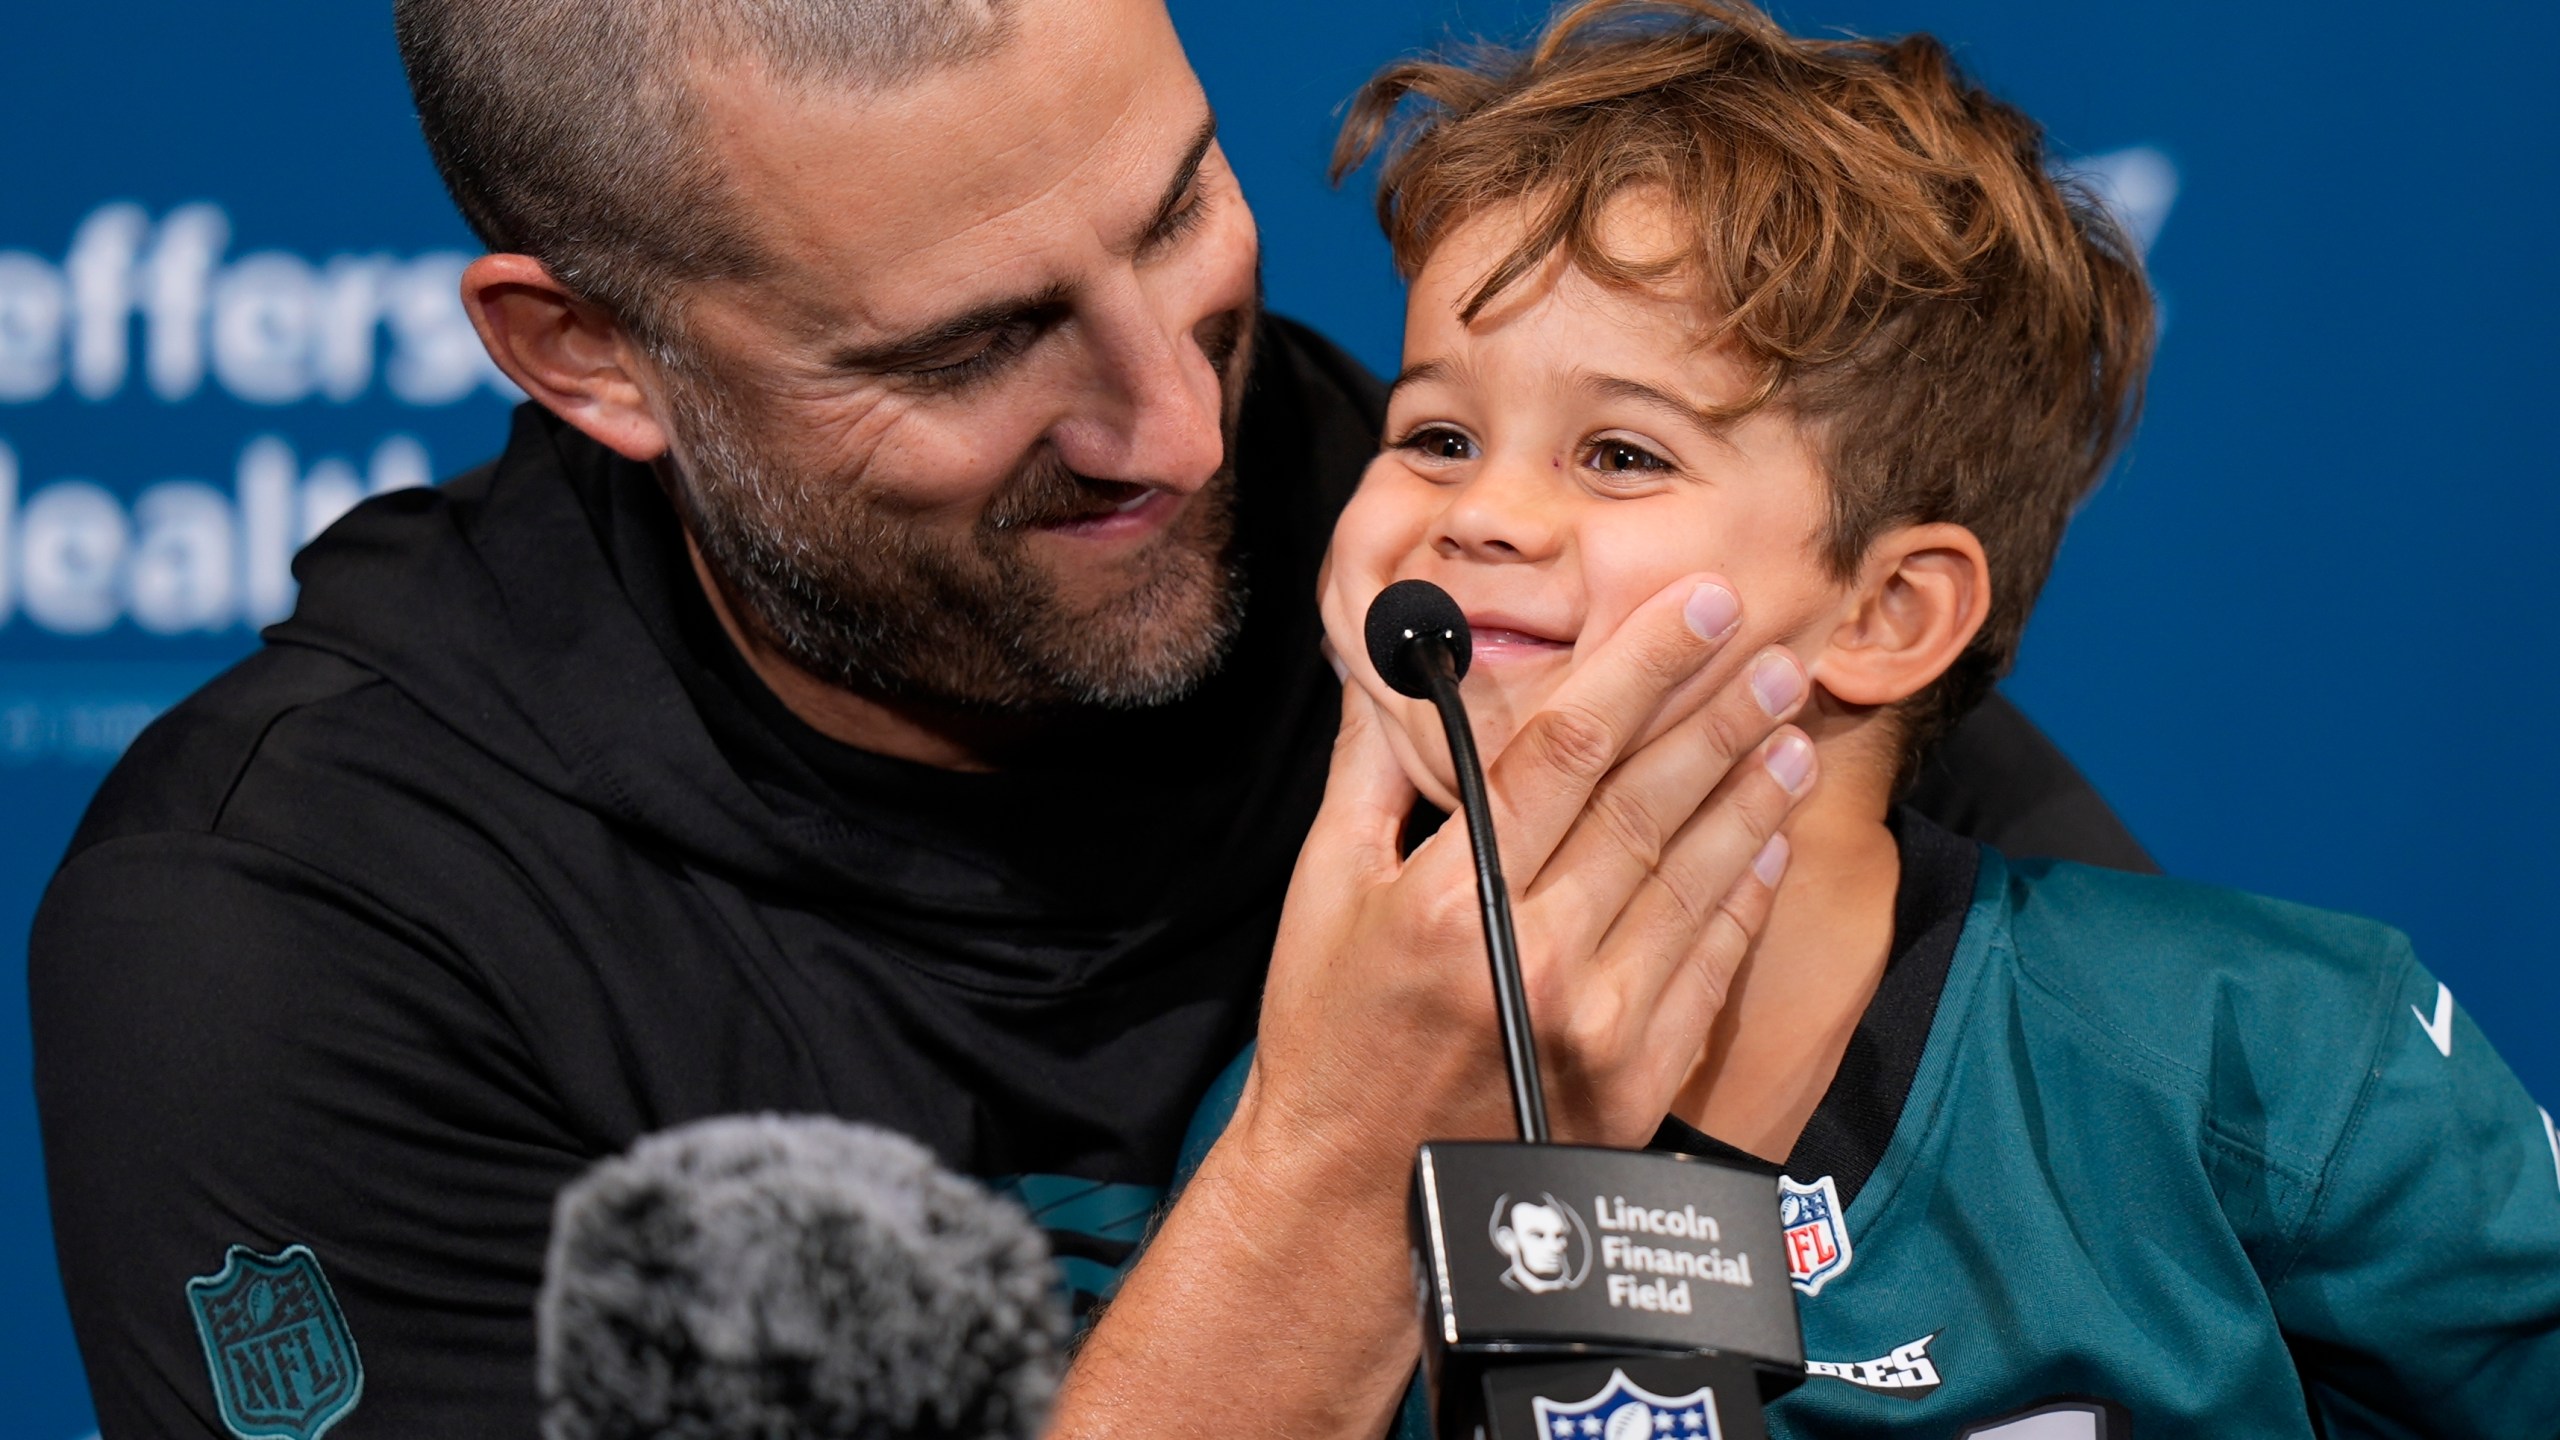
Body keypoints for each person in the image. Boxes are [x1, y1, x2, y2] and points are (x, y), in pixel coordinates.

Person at [31, 1, 2149, 1436]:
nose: (1171, 418)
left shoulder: (1576, 589)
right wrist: (1342, 1182)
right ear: (589, 352)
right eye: (973, 346)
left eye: (1177, 210)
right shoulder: (290, 939)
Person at [1210, 1, 2553, 1432]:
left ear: (1889, 614)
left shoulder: (2279, 1059)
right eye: (1436, 435)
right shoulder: (1303, 1109)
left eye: (1619, 452)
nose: (1479, 514)